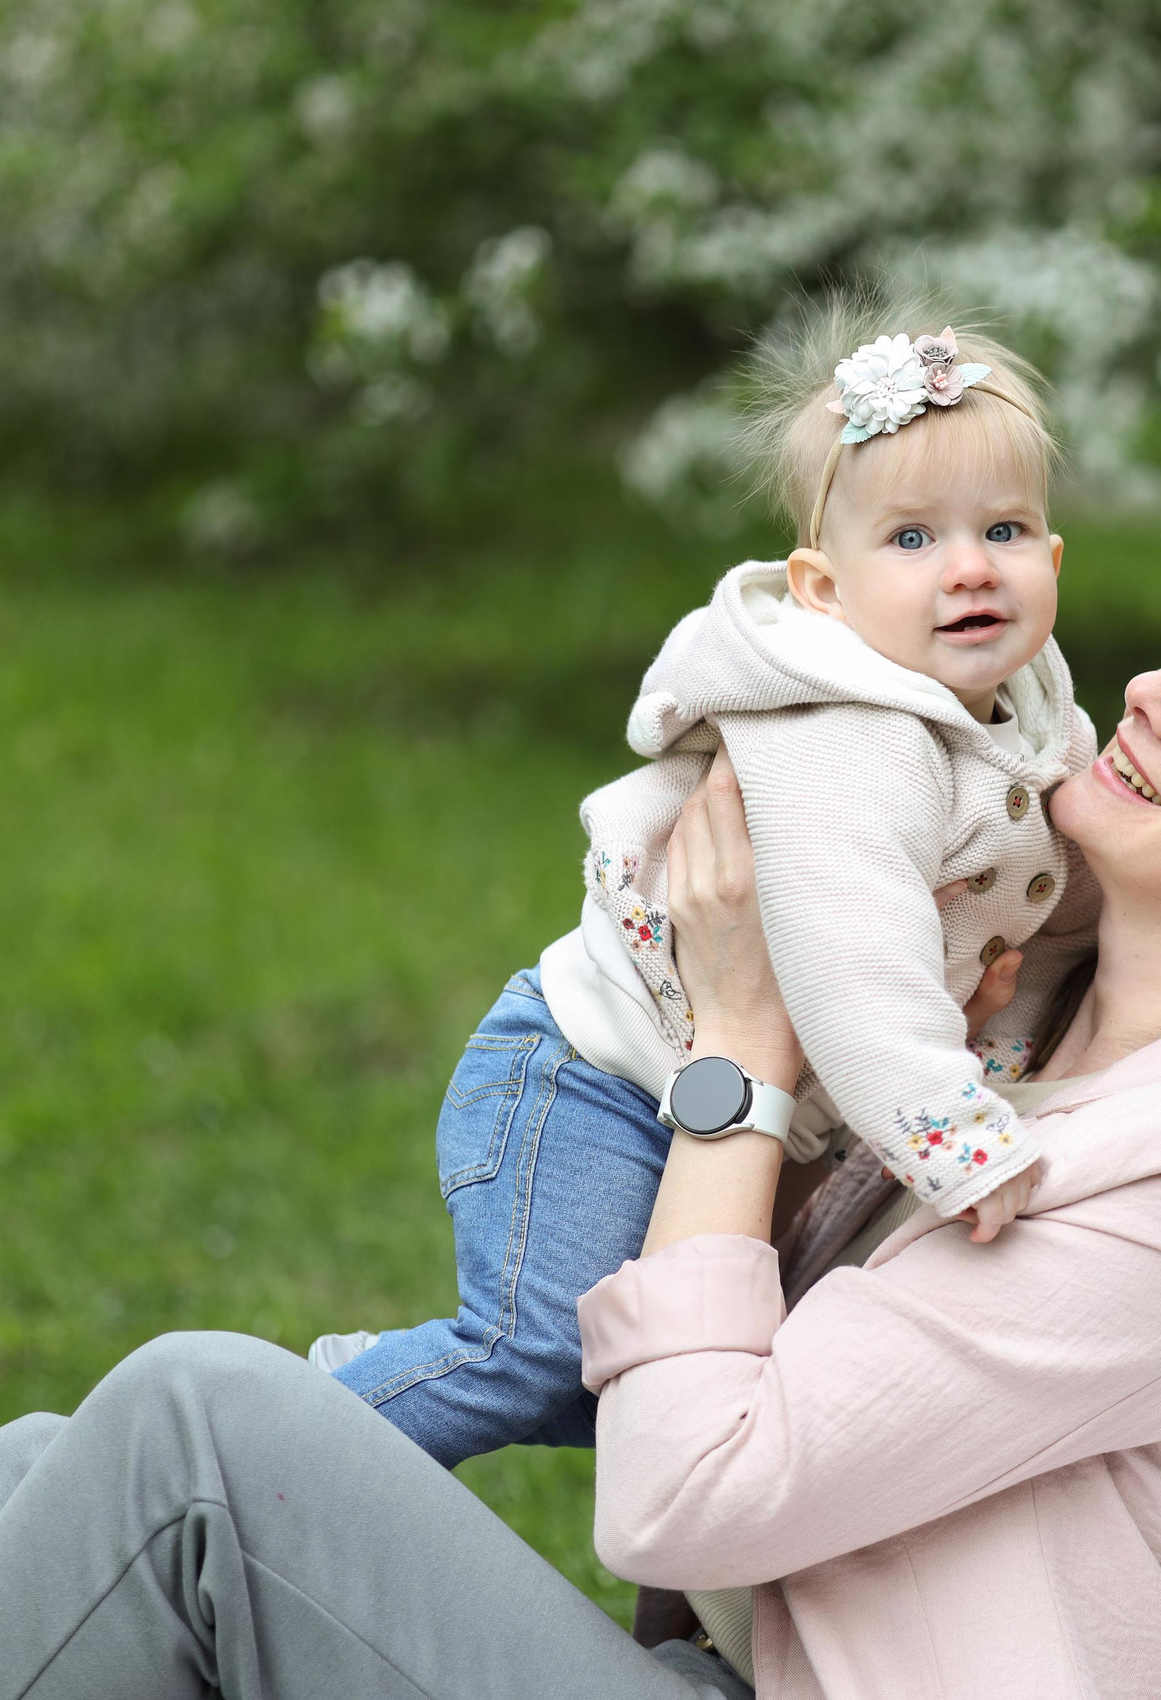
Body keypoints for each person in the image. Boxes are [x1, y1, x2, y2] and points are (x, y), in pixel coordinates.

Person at [0, 553, 1161, 1700]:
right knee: (63, 1463)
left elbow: (688, 1489)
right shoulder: (1032, 1011)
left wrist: (741, 1049)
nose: (1155, 688)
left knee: (199, 1433)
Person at [310, 307, 1100, 1467]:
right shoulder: (851, 737)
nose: (971, 566)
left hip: (712, 1095)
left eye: (1004, 528)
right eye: (913, 540)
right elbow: (852, 959)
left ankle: (340, 1402)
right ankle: (277, 1430)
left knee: (621, 1381)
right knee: (527, 1356)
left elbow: (1047, 903)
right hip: (590, 1076)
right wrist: (959, 1137)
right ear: (823, 590)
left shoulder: (1028, 715)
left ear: (1052, 558)